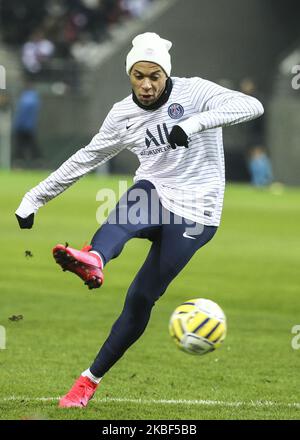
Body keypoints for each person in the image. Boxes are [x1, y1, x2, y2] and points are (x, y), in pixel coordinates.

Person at [15, 32, 264, 408]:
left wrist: (194, 124)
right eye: (138, 76)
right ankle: (95, 260)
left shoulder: (195, 92)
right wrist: (34, 197)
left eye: (154, 76)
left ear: (166, 74)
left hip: (199, 211)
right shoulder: (122, 115)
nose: (146, 85)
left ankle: (87, 382)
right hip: (157, 191)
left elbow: (252, 106)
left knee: (140, 298)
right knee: (136, 199)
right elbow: (85, 158)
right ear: (129, 74)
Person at [12, 83, 42, 166]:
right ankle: (37, 161)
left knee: (20, 145)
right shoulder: (35, 98)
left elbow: (22, 113)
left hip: (22, 126)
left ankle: (19, 162)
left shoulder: (25, 98)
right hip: (31, 126)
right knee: (32, 145)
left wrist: (18, 124)